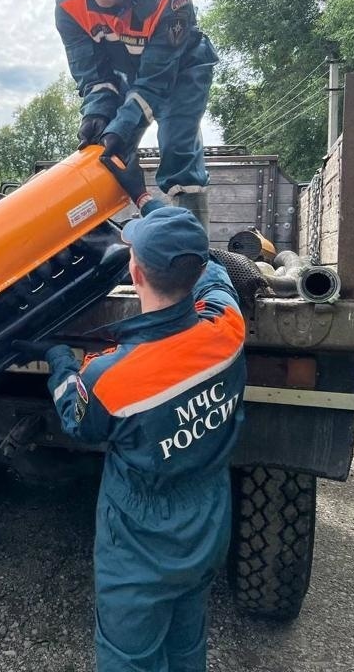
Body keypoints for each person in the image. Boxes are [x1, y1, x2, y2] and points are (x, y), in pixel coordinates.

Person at [14, 207, 246, 671]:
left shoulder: (111, 377)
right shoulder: (228, 331)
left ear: (134, 272)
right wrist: (182, 236)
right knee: (185, 644)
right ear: (196, 270)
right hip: (206, 521)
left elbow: (78, 421)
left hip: (141, 544)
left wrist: (59, 358)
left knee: (129, 658)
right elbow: (219, 281)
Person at [56, 0, 218, 226]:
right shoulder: (68, 8)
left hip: (180, 71)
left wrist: (125, 125)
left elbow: (156, 83)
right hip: (123, 75)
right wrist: (98, 114)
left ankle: (192, 246)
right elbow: (93, 79)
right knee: (104, 143)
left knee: (176, 144)